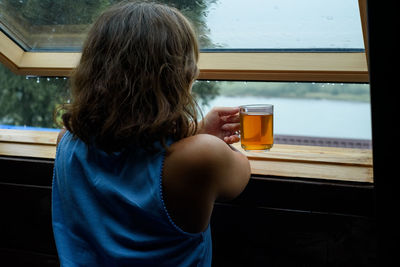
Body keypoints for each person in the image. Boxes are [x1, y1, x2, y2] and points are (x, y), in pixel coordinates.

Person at [52, 1, 251, 266]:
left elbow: (131, 142)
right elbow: (241, 174)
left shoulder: (67, 140)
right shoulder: (203, 156)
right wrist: (199, 137)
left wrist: (196, 131)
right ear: (179, 76)